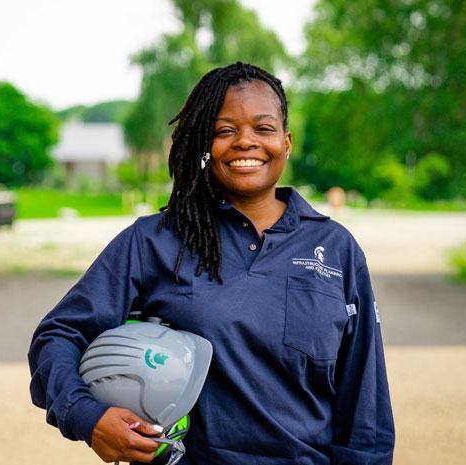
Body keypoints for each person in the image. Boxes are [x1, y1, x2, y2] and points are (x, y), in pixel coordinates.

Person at [27, 62, 394, 464]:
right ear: (205, 143)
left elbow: (365, 399)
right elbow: (59, 335)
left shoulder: (336, 248)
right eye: (224, 131)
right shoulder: (157, 240)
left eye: (263, 128)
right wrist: (87, 416)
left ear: (286, 143)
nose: (245, 142)